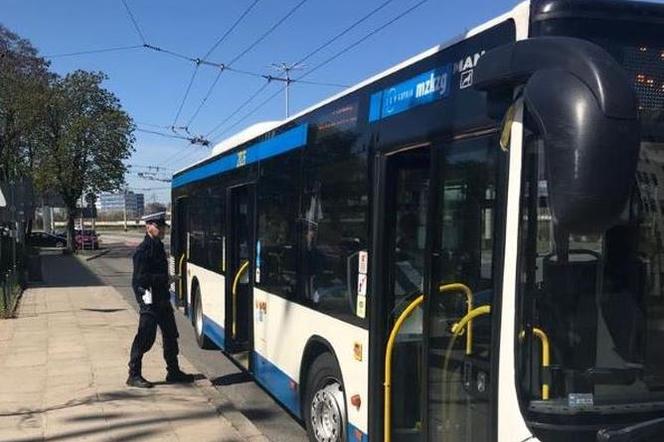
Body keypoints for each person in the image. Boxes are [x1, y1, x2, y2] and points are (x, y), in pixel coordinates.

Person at [127, 212, 194, 388]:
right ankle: (133, 375)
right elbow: (141, 279)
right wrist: (166, 279)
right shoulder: (143, 250)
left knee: (171, 335)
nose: (162, 229)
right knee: (145, 337)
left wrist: (166, 279)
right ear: (148, 227)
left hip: (162, 299)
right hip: (149, 301)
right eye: (158, 226)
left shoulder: (157, 246)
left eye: (163, 226)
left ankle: (173, 371)